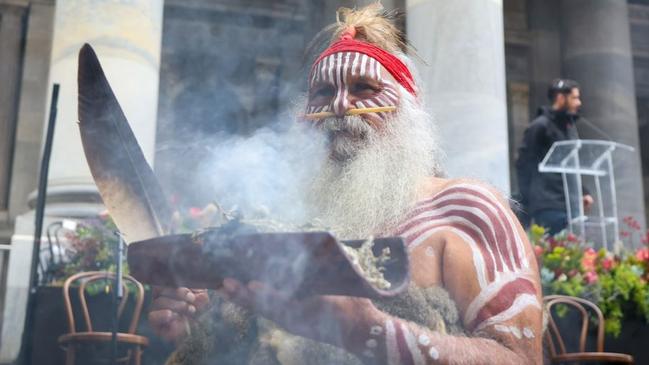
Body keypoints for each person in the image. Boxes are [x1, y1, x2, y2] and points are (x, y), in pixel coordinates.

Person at [149, 4, 543, 364]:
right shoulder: (286, 220)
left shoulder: (465, 208)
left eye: (363, 88)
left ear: (408, 109)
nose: (340, 105)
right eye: (323, 91)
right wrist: (196, 326)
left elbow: (520, 358)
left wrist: (367, 330)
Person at [516, 78, 594, 235]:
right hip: (548, 205)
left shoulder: (568, 128)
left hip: (570, 205)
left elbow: (570, 166)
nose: (578, 103)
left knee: (572, 255)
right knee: (554, 253)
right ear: (560, 98)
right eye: (574, 98)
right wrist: (528, 201)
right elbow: (523, 163)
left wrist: (583, 192)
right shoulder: (540, 125)